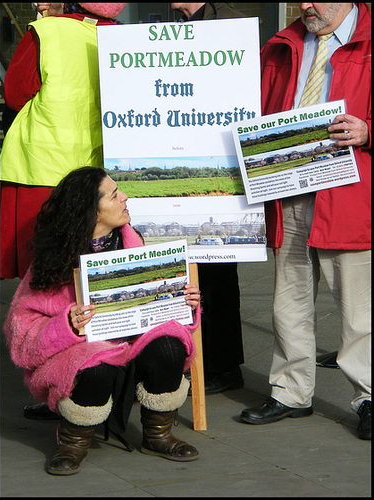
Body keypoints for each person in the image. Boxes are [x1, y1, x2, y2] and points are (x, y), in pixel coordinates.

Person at [3, 166, 202, 475]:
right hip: (83, 351)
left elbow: (161, 312)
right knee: (93, 365)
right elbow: (22, 335)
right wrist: (66, 325)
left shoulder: (133, 242)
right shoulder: (54, 260)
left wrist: (184, 303)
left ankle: (158, 435)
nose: (124, 197)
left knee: (169, 346)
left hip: (133, 345)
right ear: (92, 211)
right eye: (113, 194)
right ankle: (72, 442)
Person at [240, 3, 371, 440]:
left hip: (351, 194)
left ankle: (368, 397)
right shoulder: (283, 44)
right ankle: (290, 391)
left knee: (358, 309)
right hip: (289, 187)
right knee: (288, 297)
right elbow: (253, 107)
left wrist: (369, 131)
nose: (304, 6)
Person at [0, 3, 126, 280]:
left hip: (39, 166)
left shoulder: (47, 31)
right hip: (99, 173)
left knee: (40, 268)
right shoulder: (126, 39)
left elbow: (15, 94)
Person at [171, 2, 246, 395]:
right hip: (187, 157)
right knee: (185, 276)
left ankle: (223, 365)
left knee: (217, 274)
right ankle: (192, 359)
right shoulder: (175, 24)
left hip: (219, 168)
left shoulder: (231, 24)